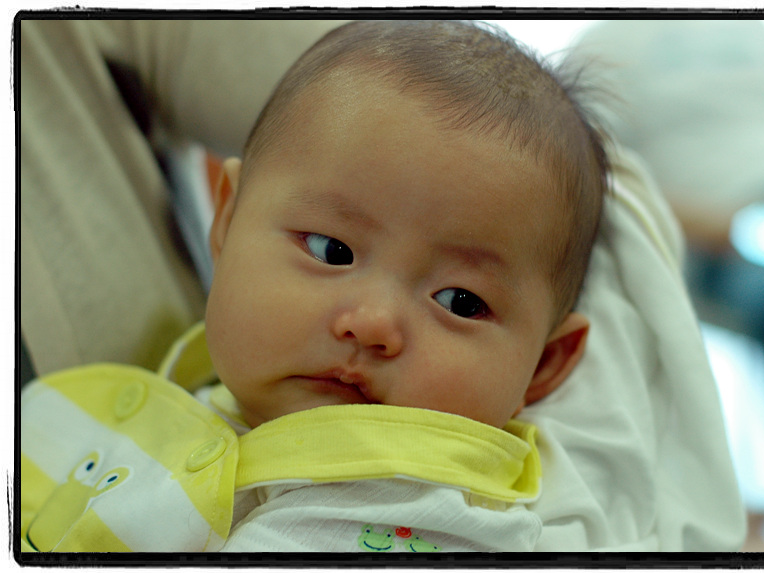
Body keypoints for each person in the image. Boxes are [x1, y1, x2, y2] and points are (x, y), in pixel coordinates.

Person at [21, 20, 608, 553]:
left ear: (544, 365)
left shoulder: (416, 514)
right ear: (227, 222)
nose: (371, 323)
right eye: (332, 250)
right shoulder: (213, 398)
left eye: (460, 301)